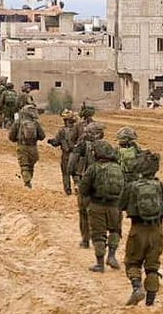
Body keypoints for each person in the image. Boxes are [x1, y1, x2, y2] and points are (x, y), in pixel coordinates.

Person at [119, 151, 163, 306]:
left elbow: (120, 205)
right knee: (152, 267)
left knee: (132, 262)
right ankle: (150, 303)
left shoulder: (132, 186)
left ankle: (137, 287)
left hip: (137, 230)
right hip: (156, 231)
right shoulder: (161, 186)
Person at [78, 140, 124, 272]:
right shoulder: (118, 168)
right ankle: (112, 256)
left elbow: (83, 189)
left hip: (97, 205)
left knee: (98, 234)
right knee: (115, 231)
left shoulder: (93, 168)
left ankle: (100, 264)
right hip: (115, 206)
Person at [68, 105, 106, 249]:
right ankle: (100, 240)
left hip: (85, 182)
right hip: (102, 184)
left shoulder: (81, 144)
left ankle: (85, 240)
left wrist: (76, 179)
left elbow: (71, 165)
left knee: (83, 212)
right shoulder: (106, 147)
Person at [8, 105, 47, 188]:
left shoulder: (18, 122)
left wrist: (16, 139)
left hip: (22, 146)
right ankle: (29, 179)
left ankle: (27, 181)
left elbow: (11, 136)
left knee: (24, 166)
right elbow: (42, 136)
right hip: (33, 148)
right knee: (31, 166)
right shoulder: (35, 123)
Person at [47, 109, 78, 195]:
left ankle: (68, 190)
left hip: (66, 154)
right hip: (77, 154)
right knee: (76, 171)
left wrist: (51, 141)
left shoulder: (62, 131)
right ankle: (77, 185)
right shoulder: (78, 129)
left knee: (65, 172)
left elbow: (56, 142)